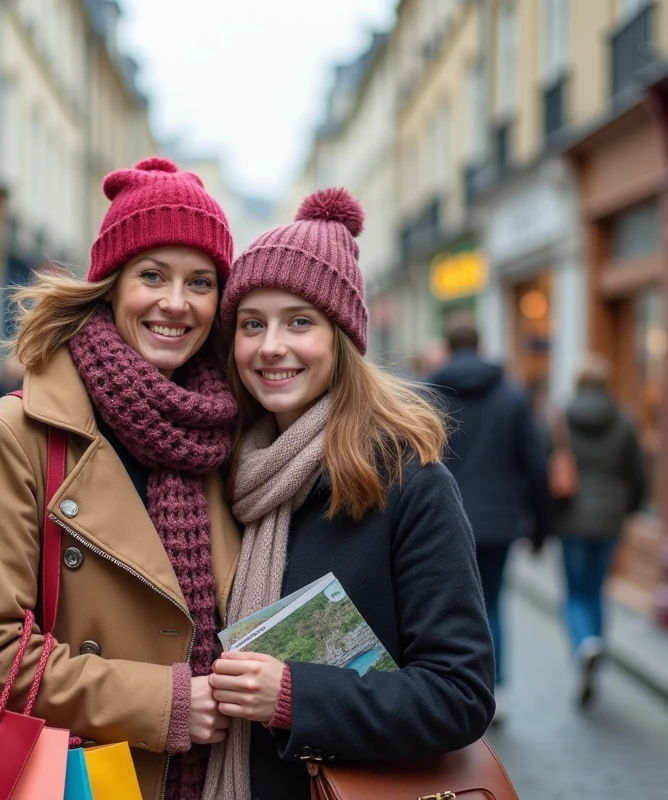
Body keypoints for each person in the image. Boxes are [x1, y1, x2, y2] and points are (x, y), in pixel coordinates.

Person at [0, 157, 239, 800]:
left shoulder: (230, 437)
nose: (175, 303)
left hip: (223, 777)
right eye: (152, 276)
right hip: (83, 778)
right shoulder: (16, 435)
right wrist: (165, 704)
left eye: (200, 282)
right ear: (110, 284)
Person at [203, 188, 495, 800]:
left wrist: (292, 695)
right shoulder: (222, 475)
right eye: (252, 324)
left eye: (299, 322)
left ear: (342, 339)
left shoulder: (408, 483)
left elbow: (460, 695)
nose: (271, 346)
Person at [426, 315, 551, 724]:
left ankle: (457, 689)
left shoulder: (429, 393)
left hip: (439, 521)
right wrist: (540, 527)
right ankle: (497, 689)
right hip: (499, 521)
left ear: (447, 343)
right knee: (493, 604)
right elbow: (534, 464)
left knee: (445, 606)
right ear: (481, 344)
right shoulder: (513, 396)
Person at [553, 354, 647, 708]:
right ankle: (595, 645)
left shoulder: (561, 419)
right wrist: (630, 508)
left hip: (571, 518)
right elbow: (637, 473)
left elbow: (546, 465)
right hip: (610, 518)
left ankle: (584, 645)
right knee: (597, 589)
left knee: (575, 592)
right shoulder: (623, 420)